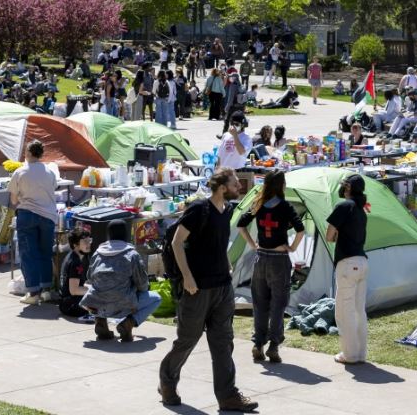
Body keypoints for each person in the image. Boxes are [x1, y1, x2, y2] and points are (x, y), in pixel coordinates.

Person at [159, 169, 257, 412]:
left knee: (223, 342)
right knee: (187, 340)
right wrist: (187, 277)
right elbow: (176, 242)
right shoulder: (199, 209)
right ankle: (167, 383)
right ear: (222, 187)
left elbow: (217, 243)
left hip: (222, 287)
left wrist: (226, 262)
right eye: (235, 183)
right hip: (197, 289)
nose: (239, 186)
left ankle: (228, 396)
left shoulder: (228, 210)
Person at [237, 171, 305, 363]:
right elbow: (300, 229)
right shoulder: (285, 206)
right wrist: (292, 247)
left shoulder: (258, 204)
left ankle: (258, 343)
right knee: (278, 305)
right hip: (279, 259)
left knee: (260, 304)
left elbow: (241, 225)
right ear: (282, 186)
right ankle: (274, 345)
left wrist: (253, 244)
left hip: (261, 258)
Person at [81, 221, 159, 342]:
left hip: (96, 304)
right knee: (157, 298)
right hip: (123, 305)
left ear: (109, 235)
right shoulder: (132, 254)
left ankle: (100, 322)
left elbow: (89, 277)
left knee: (97, 290)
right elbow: (142, 284)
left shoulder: (97, 253)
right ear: (126, 235)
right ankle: (128, 323)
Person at [10, 140, 60, 306]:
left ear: (29, 153)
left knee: (29, 254)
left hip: (27, 214)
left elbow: (13, 199)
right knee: (45, 253)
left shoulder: (20, 172)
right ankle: (47, 290)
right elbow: (53, 189)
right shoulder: (50, 172)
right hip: (48, 216)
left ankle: (33, 292)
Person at [325, 173, 369, 365]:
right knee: (359, 311)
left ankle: (350, 355)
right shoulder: (360, 209)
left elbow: (329, 236)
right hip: (362, 262)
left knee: (345, 311)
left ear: (349, 188)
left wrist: (337, 235)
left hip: (347, 264)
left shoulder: (343, 206)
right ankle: (360, 353)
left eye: (344, 185)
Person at [58, 228, 92, 319]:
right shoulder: (75, 262)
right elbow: (74, 290)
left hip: (66, 304)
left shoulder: (71, 256)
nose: (88, 244)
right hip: (72, 305)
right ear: (75, 245)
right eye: (85, 241)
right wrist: (93, 290)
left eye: (89, 240)